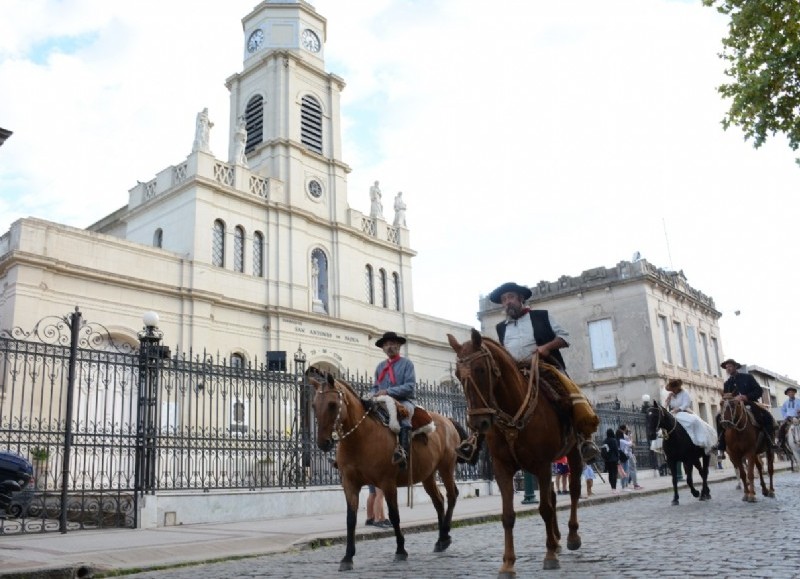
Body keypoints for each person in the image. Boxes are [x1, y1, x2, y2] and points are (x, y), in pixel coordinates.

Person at [489, 281, 600, 463]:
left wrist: (546, 347)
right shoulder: (501, 328)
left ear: (520, 299)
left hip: (542, 366)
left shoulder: (541, 316)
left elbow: (564, 337)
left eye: (510, 297)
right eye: (503, 299)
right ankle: (478, 439)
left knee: (568, 393)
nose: (507, 302)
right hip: (515, 372)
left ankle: (584, 439)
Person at [372, 331, 416, 469]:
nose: (389, 347)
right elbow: (375, 387)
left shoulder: (407, 364)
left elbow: (410, 386)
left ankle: (403, 453)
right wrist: (371, 395)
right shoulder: (380, 367)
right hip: (383, 402)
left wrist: (388, 391)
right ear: (383, 348)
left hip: (403, 401)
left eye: (392, 343)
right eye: (386, 344)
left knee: (404, 416)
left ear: (398, 346)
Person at [715, 359, 778, 453]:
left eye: (730, 366)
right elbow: (726, 396)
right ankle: (721, 444)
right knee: (719, 417)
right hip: (733, 406)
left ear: (735, 367)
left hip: (750, 403)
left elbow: (759, 391)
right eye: (726, 367)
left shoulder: (747, 377)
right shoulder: (727, 383)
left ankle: (770, 441)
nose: (728, 369)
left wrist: (746, 396)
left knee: (766, 415)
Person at [664, 378, 717, 454]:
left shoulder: (684, 393)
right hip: (673, 413)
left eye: (673, 388)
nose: (672, 390)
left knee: (693, 421)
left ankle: (699, 441)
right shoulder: (670, 395)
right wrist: (668, 399)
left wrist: (678, 409)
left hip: (684, 411)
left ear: (677, 387)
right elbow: (666, 406)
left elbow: (686, 404)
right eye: (671, 389)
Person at [620, 424, 643, 490]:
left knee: (628, 470)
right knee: (631, 469)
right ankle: (634, 484)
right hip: (628, 454)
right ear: (624, 429)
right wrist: (631, 437)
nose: (628, 429)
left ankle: (627, 484)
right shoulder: (625, 436)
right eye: (627, 427)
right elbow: (631, 444)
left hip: (628, 454)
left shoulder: (624, 436)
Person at [600, 428, 621, 494]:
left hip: (607, 460)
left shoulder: (605, 441)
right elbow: (616, 450)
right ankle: (614, 488)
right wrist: (618, 458)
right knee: (614, 473)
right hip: (614, 459)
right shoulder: (614, 440)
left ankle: (612, 487)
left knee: (610, 473)